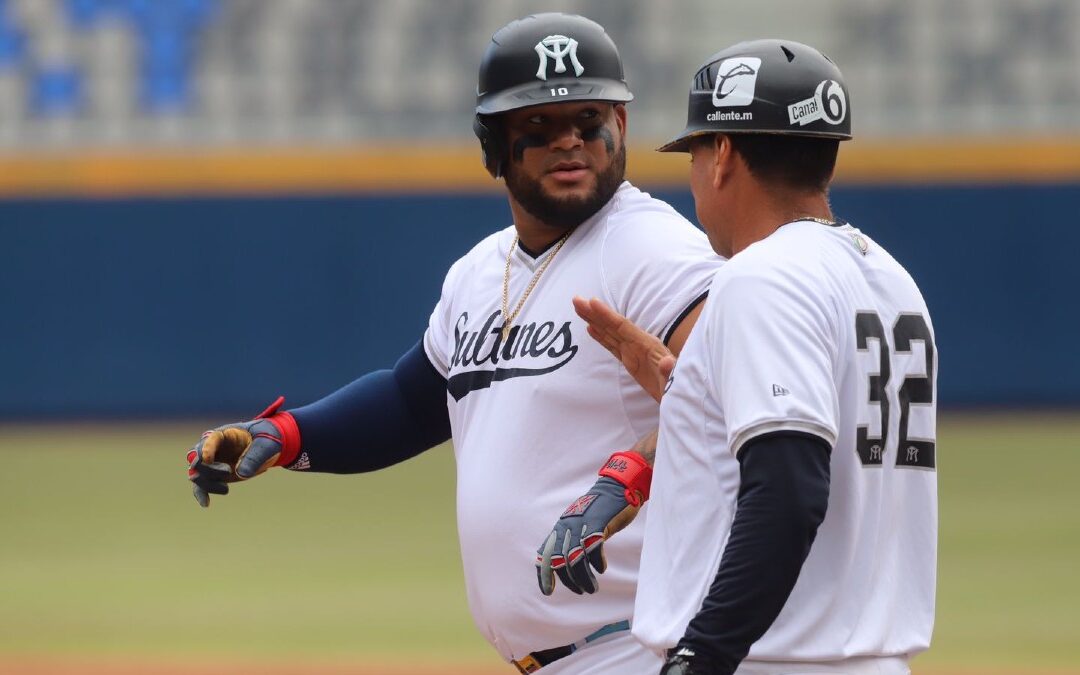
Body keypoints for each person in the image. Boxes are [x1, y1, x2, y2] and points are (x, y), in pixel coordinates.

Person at [184, 13, 722, 675]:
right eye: (538, 127)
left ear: (623, 125)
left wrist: (627, 478)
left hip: (645, 644)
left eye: (589, 120)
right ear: (492, 143)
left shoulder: (650, 250)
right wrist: (288, 435)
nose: (570, 142)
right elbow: (412, 401)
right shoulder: (479, 271)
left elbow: (728, 390)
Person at [565, 40, 938, 674]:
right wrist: (695, 397)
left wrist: (701, 654)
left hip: (768, 659)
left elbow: (790, 488)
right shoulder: (893, 281)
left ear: (725, 156)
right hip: (870, 654)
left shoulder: (762, 276)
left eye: (696, 150)